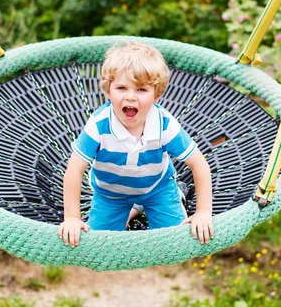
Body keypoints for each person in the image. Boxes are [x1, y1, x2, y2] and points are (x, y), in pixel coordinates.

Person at [58, 41, 214, 247]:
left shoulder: (164, 124)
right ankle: (134, 208)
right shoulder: (98, 125)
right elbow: (74, 170)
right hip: (110, 193)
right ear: (108, 91)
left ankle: (175, 195)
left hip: (157, 187)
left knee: (176, 242)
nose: (130, 96)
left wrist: (203, 212)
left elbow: (199, 164)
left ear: (156, 95)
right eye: (121, 88)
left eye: (141, 89)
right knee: (99, 247)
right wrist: (71, 218)